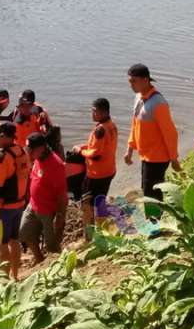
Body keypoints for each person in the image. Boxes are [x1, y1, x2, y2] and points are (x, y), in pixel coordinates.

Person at [123, 64, 181, 219]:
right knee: (147, 189)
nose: (131, 85)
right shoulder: (139, 98)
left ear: (145, 80)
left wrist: (174, 158)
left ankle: (154, 225)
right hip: (146, 155)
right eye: (129, 81)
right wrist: (129, 149)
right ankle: (153, 222)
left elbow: (170, 133)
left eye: (133, 81)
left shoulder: (158, 103)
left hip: (158, 157)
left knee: (151, 193)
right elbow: (134, 125)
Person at [0, 121, 30, 280]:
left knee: (1, 244)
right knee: (14, 240)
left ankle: (2, 280)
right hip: (19, 205)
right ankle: (15, 276)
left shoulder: (2, 158)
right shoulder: (21, 152)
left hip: (3, 209)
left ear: (3, 136)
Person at [72, 97, 119, 239]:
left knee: (86, 204)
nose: (92, 114)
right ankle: (103, 231)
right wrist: (85, 146)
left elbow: (96, 154)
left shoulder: (100, 130)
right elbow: (102, 147)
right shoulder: (111, 125)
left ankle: (89, 236)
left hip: (96, 174)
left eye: (94, 111)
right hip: (109, 170)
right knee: (100, 201)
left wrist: (80, 151)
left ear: (102, 112)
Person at [20, 132, 67, 264]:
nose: (28, 152)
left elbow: (61, 194)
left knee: (51, 245)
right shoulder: (37, 159)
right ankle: (39, 258)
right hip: (33, 205)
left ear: (41, 148)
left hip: (48, 210)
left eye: (31, 150)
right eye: (27, 149)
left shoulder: (56, 165)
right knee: (24, 233)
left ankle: (57, 264)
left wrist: (60, 216)